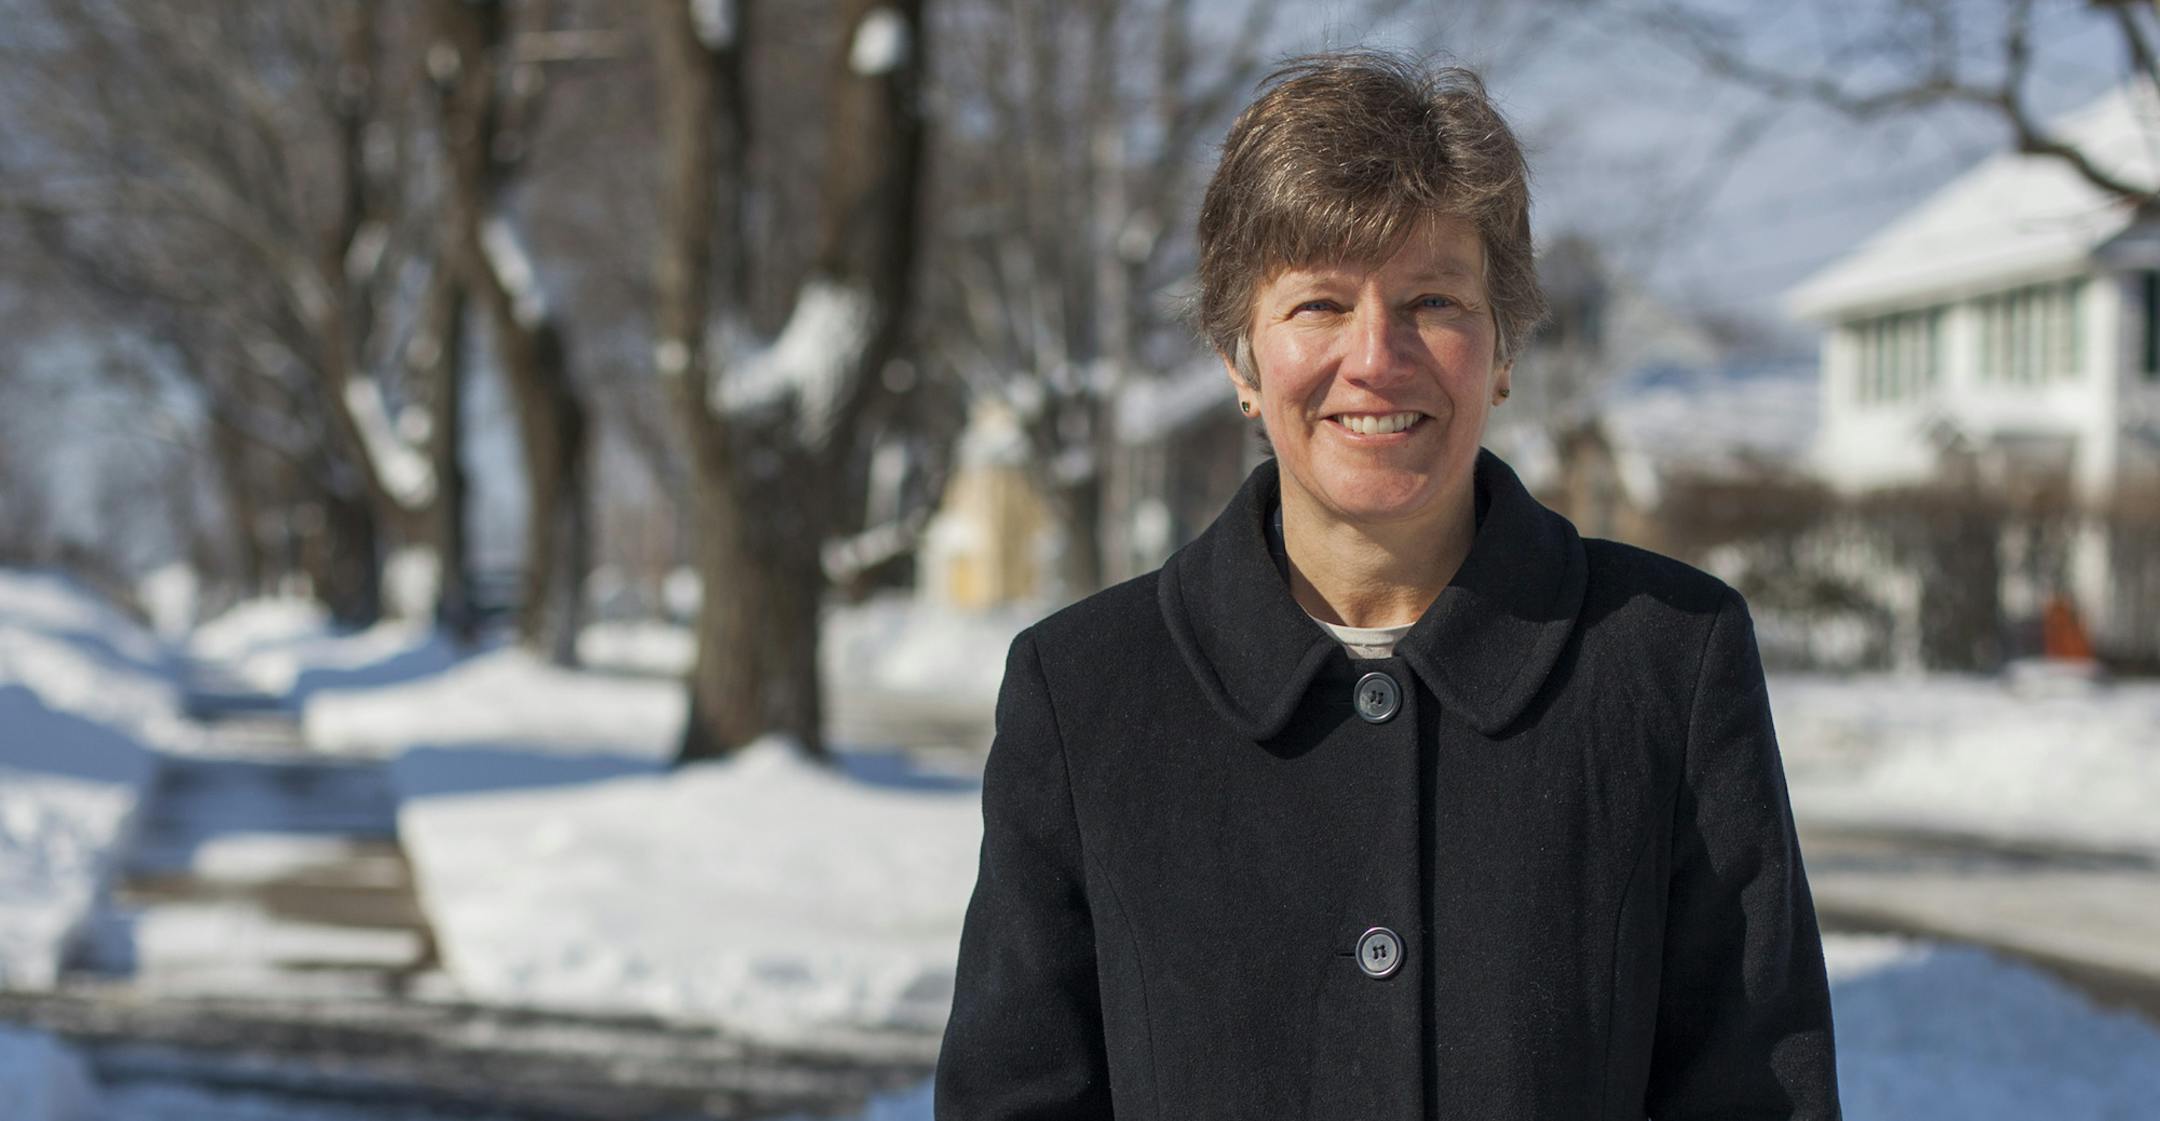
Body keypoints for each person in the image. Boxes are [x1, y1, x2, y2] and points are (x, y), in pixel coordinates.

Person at [936, 50, 1840, 1119]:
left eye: (1432, 300)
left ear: (1501, 347)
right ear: (1240, 357)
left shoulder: (1665, 658)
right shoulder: (1084, 689)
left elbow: (1755, 1090)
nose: (1376, 356)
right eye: (1319, 302)